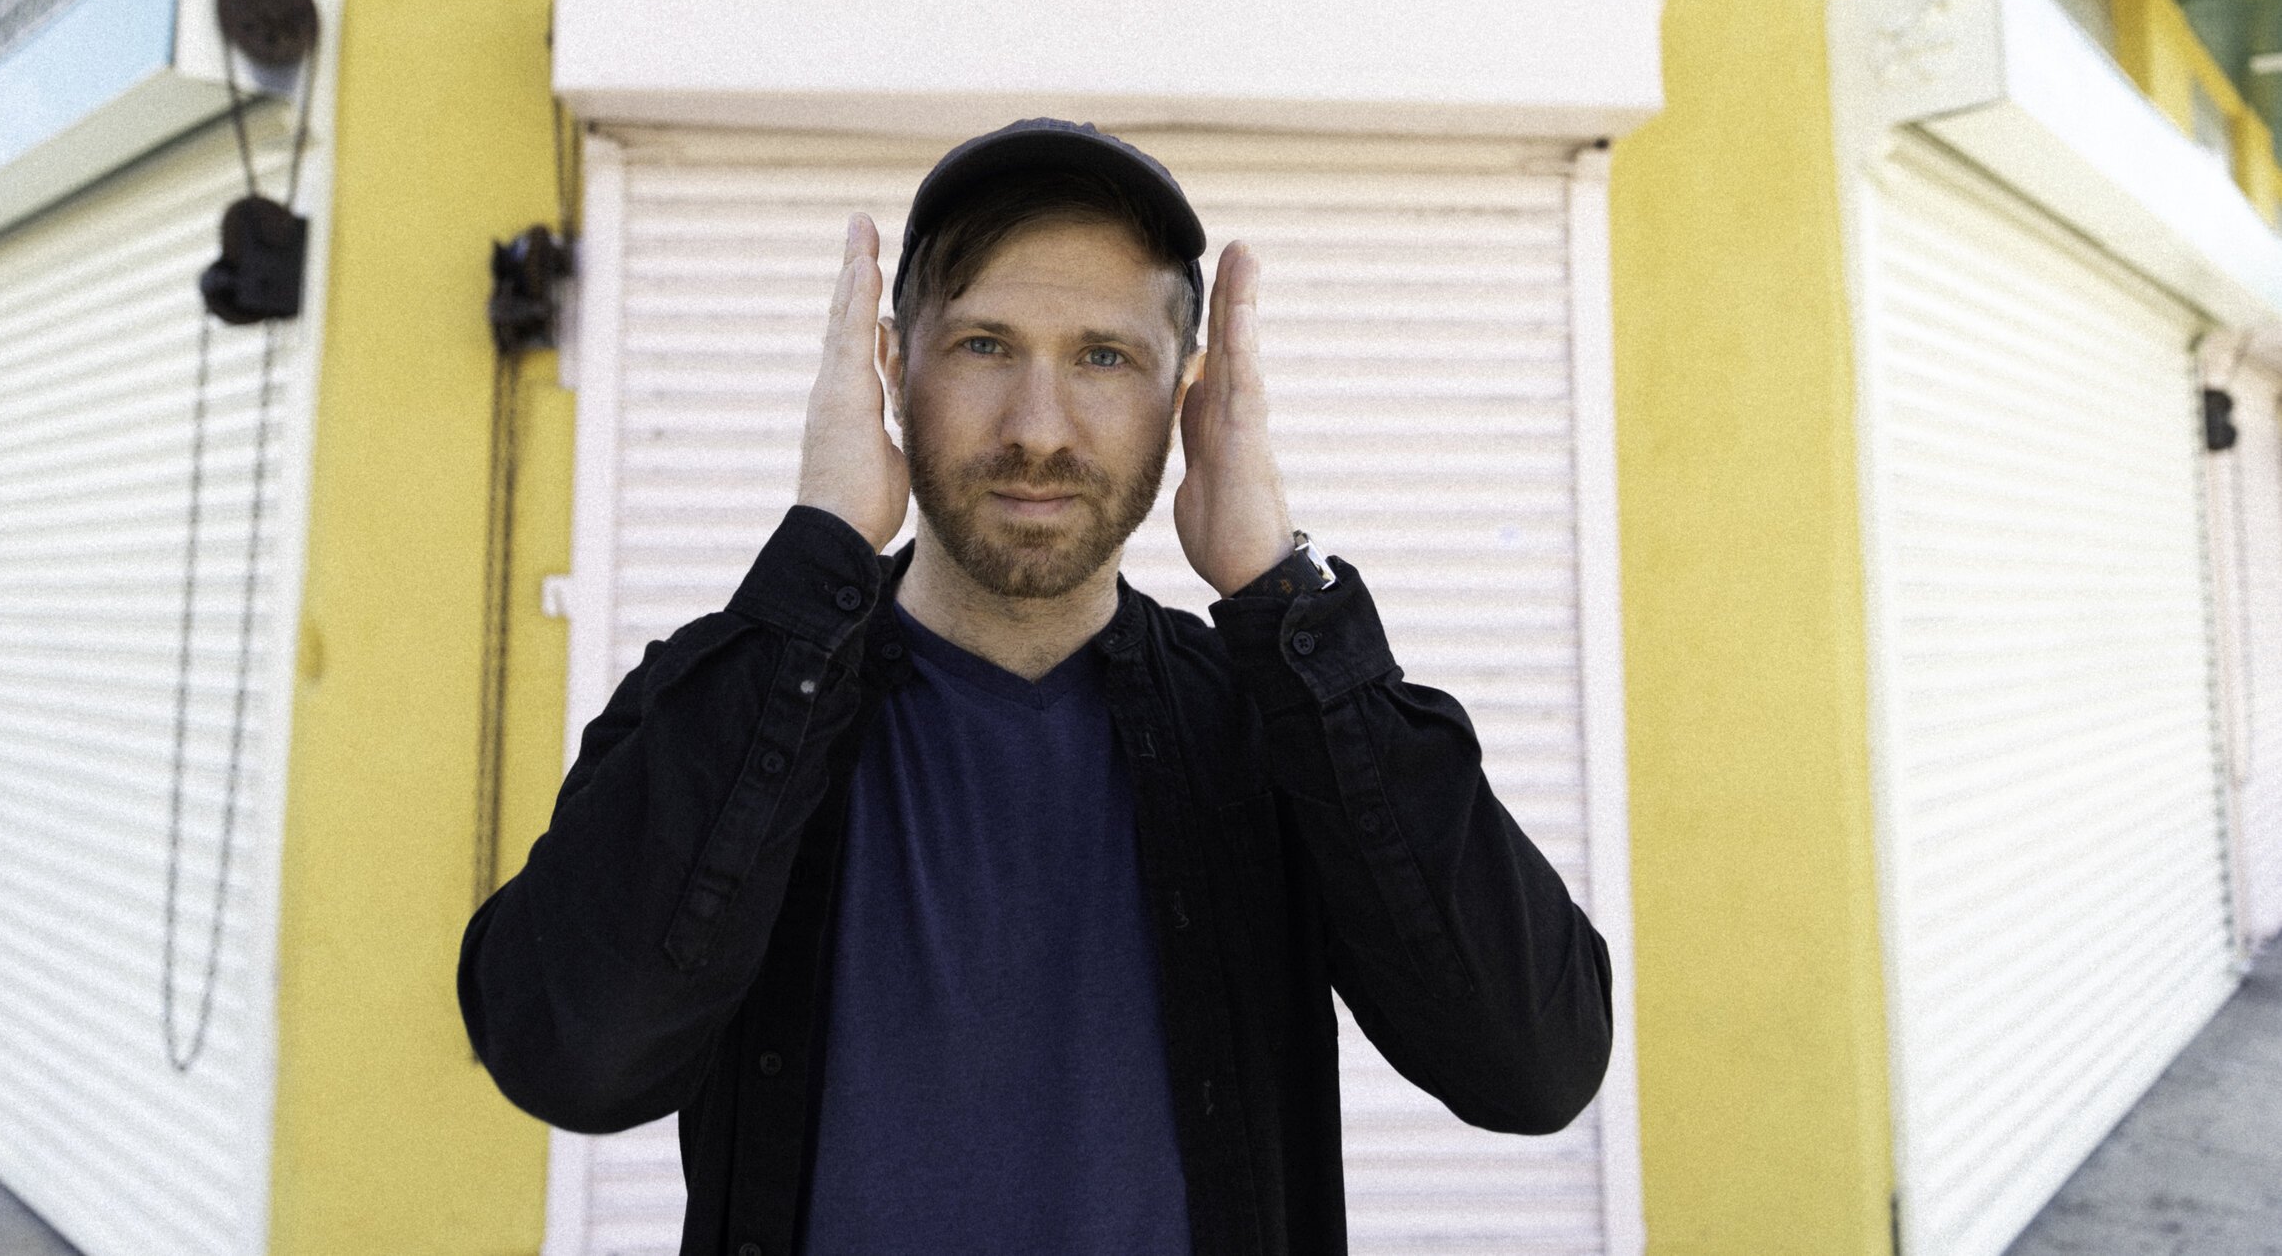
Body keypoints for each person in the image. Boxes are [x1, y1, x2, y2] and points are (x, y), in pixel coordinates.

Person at [458, 118, 1613, 1256]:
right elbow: (571, 1055)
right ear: (892, 365)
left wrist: (1279, 590)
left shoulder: (1270, 723)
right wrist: (819, 549)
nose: (1037, 428)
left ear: (1186, 395)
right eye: (984, 345)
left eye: (1103, 356)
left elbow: (1532, 1064)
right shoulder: (746, 698)